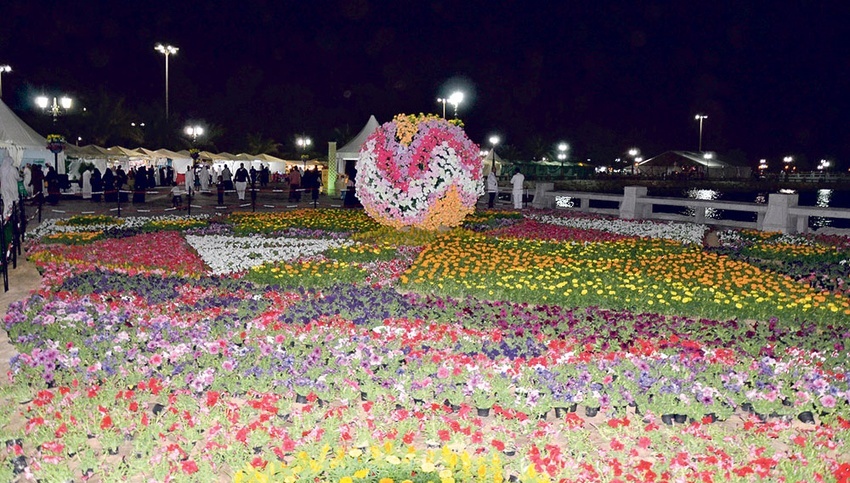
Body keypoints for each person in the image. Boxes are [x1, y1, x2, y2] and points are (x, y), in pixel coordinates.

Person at [0, 149, 20, 218]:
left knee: (6, 202)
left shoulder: (1, 169)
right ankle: (9, 216)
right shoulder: (13, 169)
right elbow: (17, 177)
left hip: (4, 188)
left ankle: (5, 216)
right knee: (11, 202)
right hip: (12, 187)